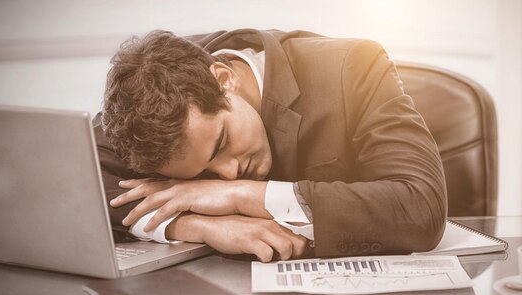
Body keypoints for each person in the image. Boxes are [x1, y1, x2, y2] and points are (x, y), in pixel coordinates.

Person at [93, 29, 447, 262]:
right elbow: (79, 180)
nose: (228, 174)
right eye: (202, 174)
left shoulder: (352, 67)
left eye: (221, 144)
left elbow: (420, 208)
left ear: (224, 80)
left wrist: (243, 196)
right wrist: (193, 225)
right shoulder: (144, 93)